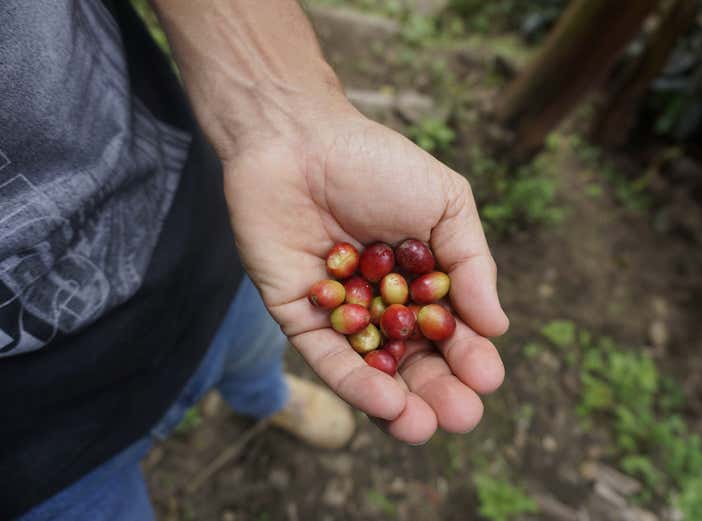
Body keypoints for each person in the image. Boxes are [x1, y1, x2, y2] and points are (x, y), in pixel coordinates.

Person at [0, 0, 509, 519]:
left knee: (256, 347)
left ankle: (265, 399)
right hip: (32, 448)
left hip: (202, 236)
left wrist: (288, 120)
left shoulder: (311, 269)